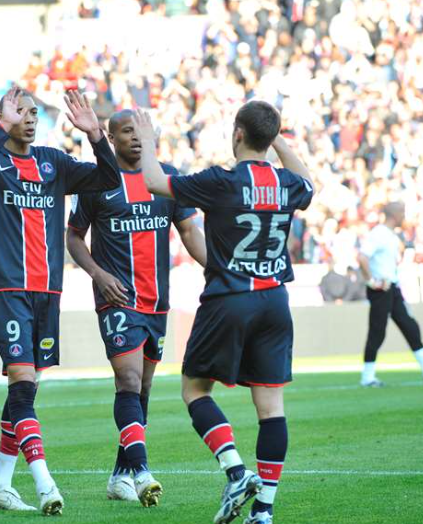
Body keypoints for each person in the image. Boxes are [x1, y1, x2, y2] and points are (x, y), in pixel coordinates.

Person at [133, 101, 315, 524]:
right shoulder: (287, 183)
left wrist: (146, 140)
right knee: (271, 408)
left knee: (195, 390)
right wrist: (278, 140)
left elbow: (155, 182)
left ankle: (235, 471)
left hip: (229, 299)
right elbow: (307, 182)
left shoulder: (222, 180)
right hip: (275, 300)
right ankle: (263, 511)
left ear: (237, 134)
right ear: (270, 138)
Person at [0, 87, 121, 515]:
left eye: (32, 113)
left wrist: (95, 135)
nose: (28, 119)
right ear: (5, 117)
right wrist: (1, 126)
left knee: (24, 390)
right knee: (23, 382)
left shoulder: (54, 163)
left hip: (48, 292)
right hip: (7, 288)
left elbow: (109, 179)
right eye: (20, 112)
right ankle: (45, 483)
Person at [66, 110, 207, 507]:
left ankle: (119, 475)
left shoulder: (166, 178)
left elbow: (189, 231)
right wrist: (98, 274)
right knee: (127, 380)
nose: (135, 137)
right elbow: (74, 237)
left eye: (140, 130)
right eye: (126, 131)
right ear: (111, 139)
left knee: (142, 388)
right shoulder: (97, 182)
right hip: (117, 298)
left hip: (157, 301)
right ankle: (142, 472)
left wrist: (218, 269)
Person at [357, 202, 423, 387]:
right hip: (380, 289)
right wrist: (371, 281)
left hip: (392, 287)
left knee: (410, 326)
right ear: (395, 214)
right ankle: (367, 377)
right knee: (377, 332)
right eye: (402, 213)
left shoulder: (390, 235)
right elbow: (362, 257)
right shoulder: (379, 233)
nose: (404, 217)